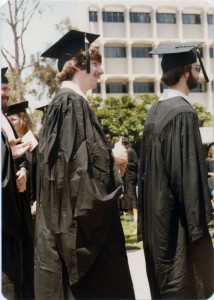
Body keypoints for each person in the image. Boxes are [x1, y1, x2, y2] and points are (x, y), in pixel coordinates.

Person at [35, 29, 135, 300]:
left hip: (58, 228)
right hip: (77, 236)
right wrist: (115, 160)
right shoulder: (72, 105)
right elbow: (78, 174)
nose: (101, 70)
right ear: (81, 64)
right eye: (98, 63)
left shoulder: (61, 106)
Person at [137, 42, 214, 299]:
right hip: (178, 231)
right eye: (195, 68)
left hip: (158, 229)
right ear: (184, 72)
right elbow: (189, 181)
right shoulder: (183, 113)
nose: (199, 74)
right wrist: (200, 235)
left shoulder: (154, 112)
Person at [1, 68, 32, 299]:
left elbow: (14, 157)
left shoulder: (4, 123)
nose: (6, 96)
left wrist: (21, 170)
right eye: (2, 91)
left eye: (7, 91)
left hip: (12, 208)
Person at [121, 137, 138, 222]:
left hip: (131, 176)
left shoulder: (130, 151)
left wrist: (127, 165)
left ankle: (136, 215)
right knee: (127, 195)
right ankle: (130, 214)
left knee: (132, 194)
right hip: (125, 176)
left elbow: (135, 163)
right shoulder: (122, 152)